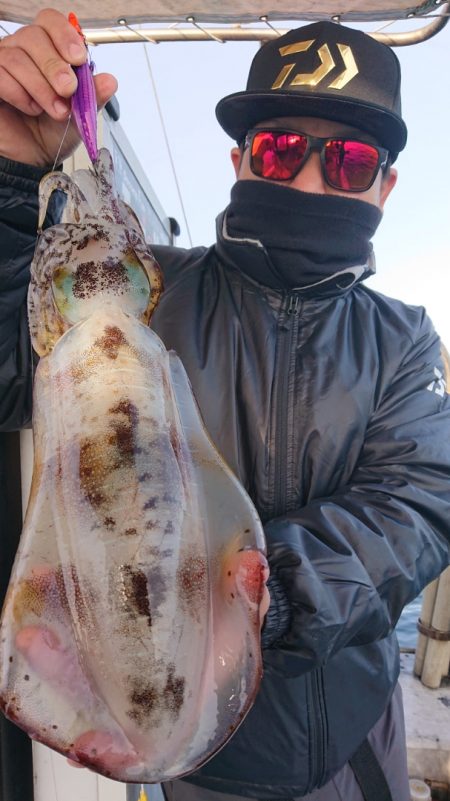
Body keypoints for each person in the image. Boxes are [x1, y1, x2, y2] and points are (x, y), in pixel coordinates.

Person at [0, 9, 449, 801]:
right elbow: (12, 363)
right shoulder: (136, 296)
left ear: (387, 186)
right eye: (282, 150)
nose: (310, 180)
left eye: (347, 162)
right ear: (241, 160)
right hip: (202, 762)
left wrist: (255, 594)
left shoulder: (404, 339)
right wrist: (9, 173)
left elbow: (417, 503)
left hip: (350, 743)